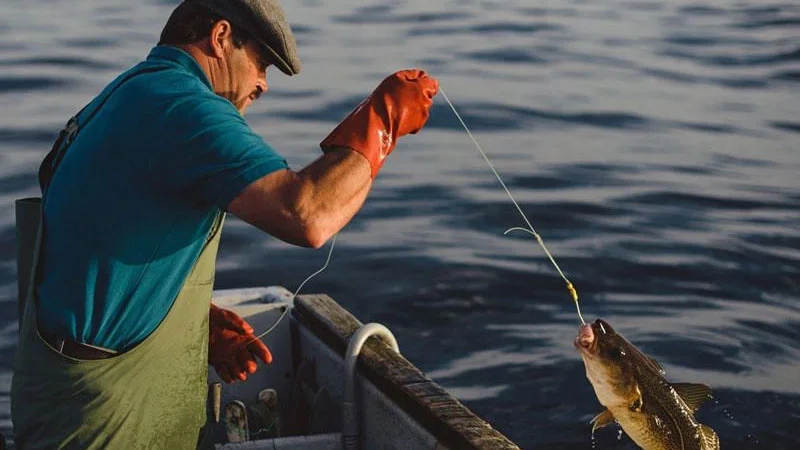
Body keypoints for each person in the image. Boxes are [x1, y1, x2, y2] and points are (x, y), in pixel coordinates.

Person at [10, 0, 438, 448]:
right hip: (105, 416)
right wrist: (383, 117)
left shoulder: (128, 93)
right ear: (219, 38)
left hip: (64, 390)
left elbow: (97, 241)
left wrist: (192, 321)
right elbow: (309, 215)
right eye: (261, 63)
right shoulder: (181, 105)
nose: (263, 85)